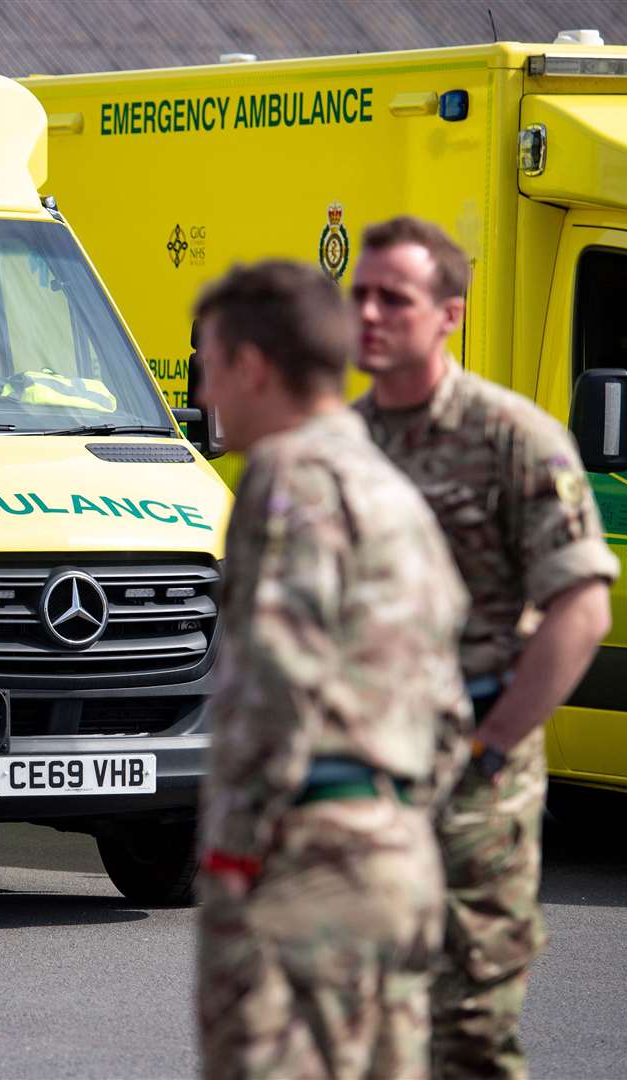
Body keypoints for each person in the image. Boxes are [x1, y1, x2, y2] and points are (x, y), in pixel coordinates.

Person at [352, 216, 619, 1079]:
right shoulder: (333, 448)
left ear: (449, 315)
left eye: (395, 298)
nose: (370, 314)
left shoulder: (515, 440)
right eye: (360, 295)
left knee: (467, 1029)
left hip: (472, 776)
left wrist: (492, 746)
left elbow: (582, 609)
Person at [193, 261, 470, 1079]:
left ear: (252, 366)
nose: (204, 396)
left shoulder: (288, 475)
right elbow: (450, 701)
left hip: (307, 864)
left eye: (207, 367)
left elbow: (276, 676)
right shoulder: (392, 489)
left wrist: (235, 855)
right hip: (399, 856)